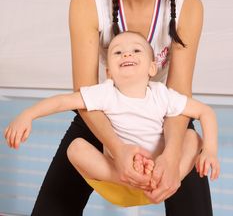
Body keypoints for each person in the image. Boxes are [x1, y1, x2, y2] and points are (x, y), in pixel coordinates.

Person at [16, 0, 214, 215]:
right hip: (103, 114)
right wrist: (119, 149)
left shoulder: (189, 6)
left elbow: (179, 96)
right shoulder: (87, 0)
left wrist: (171, 156)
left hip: (164, 120)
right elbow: (84, 93)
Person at [4, 31, 220, 208]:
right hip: (119, 180)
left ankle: (153, 180)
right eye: (117, 52)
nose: (126, 54)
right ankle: (136, 179)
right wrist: (27, 115)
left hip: (162, 180)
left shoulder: (161, 95)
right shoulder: (105, 93)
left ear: (152, 68)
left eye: (136, 50)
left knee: (193, 137)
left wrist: (210, 150)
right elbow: (62, 102)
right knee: (75, 148)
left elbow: (205, 112)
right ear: (109, 72)